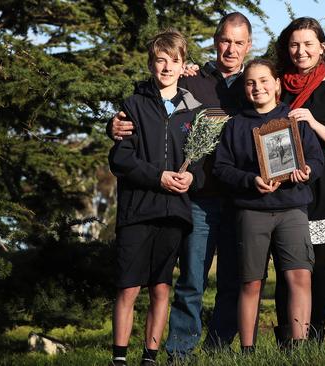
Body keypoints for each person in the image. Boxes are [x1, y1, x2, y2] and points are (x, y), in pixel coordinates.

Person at [109, 12, 253, 361]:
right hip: (197, 201)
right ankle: (179, 350)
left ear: (249, 46)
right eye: (225, 40)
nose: (230, 48)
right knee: (191, 280)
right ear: (216, 41)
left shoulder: (256, 81)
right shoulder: (194, 79)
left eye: (239, 42)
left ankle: (219, 348)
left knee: (233, 281)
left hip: (239, 198)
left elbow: (278, 116)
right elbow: (153, 106)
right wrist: (112, 125)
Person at [107, 29, 204, 366]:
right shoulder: (133, 106)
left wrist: (192, 176)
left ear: (182, 66)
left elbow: (202, 164)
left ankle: (150, 358)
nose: (166, 68)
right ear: (151, 64)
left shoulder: (193, 112)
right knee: (128, 288)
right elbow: (120, 159)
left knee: (161, 288)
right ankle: (119, 358)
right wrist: (158, 177)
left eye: (173, 61)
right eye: (160, 61)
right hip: (137, 211)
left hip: (174, 213)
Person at [213, 58, 323, 352]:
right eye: (250, 82)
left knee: (300, 276)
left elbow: (316, 160)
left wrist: (307, 171)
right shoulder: (235, 125)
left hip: (292, 208)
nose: (257, 87)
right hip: (251, 211)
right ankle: (247, 351)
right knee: (250, 283)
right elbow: (221, 168)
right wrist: (251, 180)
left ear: (276, 84)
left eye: (263, 81)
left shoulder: (294, 121)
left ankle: (298, 348)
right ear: (244, 88)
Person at [272, 17, 325, 345]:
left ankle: (316, 339)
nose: (301, 51)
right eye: (295, 44)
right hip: (286, 188)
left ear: (322, 48)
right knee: (286, 272)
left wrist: (313, 123)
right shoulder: (275, 84)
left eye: (309, 44)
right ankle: (287, 342)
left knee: (319, 271)